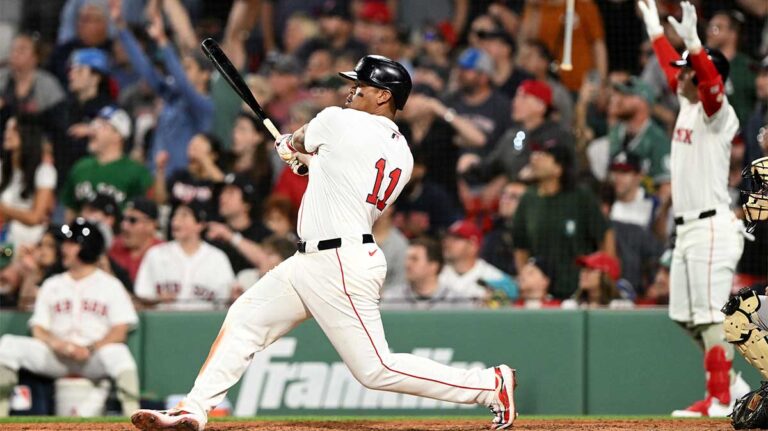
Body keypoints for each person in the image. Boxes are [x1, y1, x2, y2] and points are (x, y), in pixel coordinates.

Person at [131, 55, 517, 431]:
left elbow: (301, 138)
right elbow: (347, 180)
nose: (350, 91)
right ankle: (193, 410)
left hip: (339, 261)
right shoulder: (403, 153)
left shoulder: (339, 120)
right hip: (318, 259)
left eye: (360, 85)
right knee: (245, 320)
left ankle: (488, 385)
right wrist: (311, 163)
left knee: (376, 369)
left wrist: (290, 145)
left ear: (384, 95)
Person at [639, 0, 749, 417]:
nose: (679, 74)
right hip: (687, 230)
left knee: (709, 317)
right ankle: (731, 388)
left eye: (689, 69)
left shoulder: (719, 112)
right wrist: (655, 32)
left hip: (712, 228)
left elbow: (705, 80)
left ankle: (720, 398)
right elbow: (675, 69)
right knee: (686, 317)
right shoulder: (688, 102)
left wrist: (695, 43)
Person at [0, 218, 140, 417]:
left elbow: (120, 330)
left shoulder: (110, 285)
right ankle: (1, 415)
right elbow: (38, 328)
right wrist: (59, 345)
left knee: (119, 354)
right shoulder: (52, 284)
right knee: (7, 345)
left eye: (71, 243)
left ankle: (132, 417)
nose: (64, 247)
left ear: (86, 247)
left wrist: (90, 348)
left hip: (92, 357)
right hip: (56, 356)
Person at [112, 1, 214, 177]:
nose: (181, 72)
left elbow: (183, 84)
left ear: (205, 75)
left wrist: (163, 43)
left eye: (188, 68)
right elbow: (146, 70)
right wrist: (121, 27)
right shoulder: (172, 96)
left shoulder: (204, 105)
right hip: (158, 175)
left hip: (184, 181)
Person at [512, 139, 614, 300]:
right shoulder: (528, 199)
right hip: (541, 292)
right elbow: (520, 246)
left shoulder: (581, 197)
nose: (535, 158)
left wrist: (606, 275)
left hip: (577, 289)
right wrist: (527, 279)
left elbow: (604, 235)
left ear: (559, 168)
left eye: (544, 155)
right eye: (535, 153)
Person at [134, 202, 235, 311]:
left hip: (205, 324)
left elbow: (227, 303)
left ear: (200, 225)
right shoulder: (155, 254)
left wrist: (234, 296)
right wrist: (157, 299)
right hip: (163, 322)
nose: (175, 220)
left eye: (184, 215)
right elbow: (140, 300)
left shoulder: (217, 258)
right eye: (174, 216)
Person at [59, 105, 153, 218]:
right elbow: (71, 210)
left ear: (118, 135)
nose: (93, 130)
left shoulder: (136, 172)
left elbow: (148, 210)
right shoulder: (81, 166)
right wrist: (69, 233)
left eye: (101, 125)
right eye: (93, 124)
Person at [0, 116, 56, 249]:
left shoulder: (44, 171)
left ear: (27, 135)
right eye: (7, 129)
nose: (7, 134)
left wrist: (4, 210)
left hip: (28, 243)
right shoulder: (2, 168)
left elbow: (36, 218)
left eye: (14, 130)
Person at [206, 173, 272, 276]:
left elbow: (268, 263)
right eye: (222, 192)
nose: (222, 197)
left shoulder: (263, 234)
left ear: (247, 203)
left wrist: (230, 236)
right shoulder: (212, 229)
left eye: (230, 193)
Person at [439, 220, 517, 305]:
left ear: (473, 245)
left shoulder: (496, 278)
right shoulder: (434, 275)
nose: (447, 243)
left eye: (456, 238)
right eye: (447, 238)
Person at [381, 237, 467, 310]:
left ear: (433, 266)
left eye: (414, 259)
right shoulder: (391, 299)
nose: (407, 264)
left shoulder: (456, 302)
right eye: (407, 258)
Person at [108, 197, 162, 283]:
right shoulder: (112, 247)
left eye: (132, 220)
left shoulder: (163, 253)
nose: (124, 226)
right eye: (123, 219)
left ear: (151, 225)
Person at [562, 251, 634, 309]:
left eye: (590, 270)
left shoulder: (622, 307)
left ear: (605, 276)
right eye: (583, 270)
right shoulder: (571, 306)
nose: (583, 274)